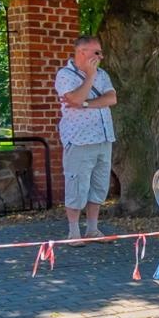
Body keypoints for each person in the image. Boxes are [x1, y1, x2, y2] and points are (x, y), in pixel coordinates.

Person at [55, 35, 117, 240]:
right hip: (79, 139)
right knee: (77, 184)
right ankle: (74, 232)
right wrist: (89, 77)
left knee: (99, 185)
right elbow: (74, 98)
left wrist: (86, 104)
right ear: (82, 52)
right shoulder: (65, 75)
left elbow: (112, 98)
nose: (100, 56)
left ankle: (93, 229)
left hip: (104, 137)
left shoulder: (103, 74)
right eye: (96, 52)